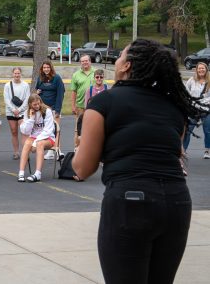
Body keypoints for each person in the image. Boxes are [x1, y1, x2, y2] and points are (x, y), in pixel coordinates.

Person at [73, 39, 199, 284]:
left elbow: (82, 168)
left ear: (127, 66)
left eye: (120, 56)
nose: (116, 60)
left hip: (130, 202)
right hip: (177, 201)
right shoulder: (174, 106)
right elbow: (175, 152)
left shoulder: (103, 102)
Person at [18, 94, 56, 183]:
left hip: (48, 137)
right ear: (30, 104)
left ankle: (38, 174)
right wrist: (31, 118)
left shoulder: (47, 111)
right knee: (27, 143)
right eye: (35, 105)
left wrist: (36, 141)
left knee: (40, 144)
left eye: (38, 104)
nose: (37, 106)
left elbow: (48, 130)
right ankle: (21, 173)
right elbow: (25, 131)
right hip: (34, 137)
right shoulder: (27, 112)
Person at [35, 60, 65, 160]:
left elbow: (60, 94)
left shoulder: (57, 78)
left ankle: (58, 150)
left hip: (53, 108)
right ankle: (50, 152)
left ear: (51, 68)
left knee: (56, 130)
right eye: (44, 68)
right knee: (46, 130)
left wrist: (58, 110)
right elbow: (37, 90)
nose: (46, 69)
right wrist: (38, 92)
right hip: (43, 109)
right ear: (42, 69)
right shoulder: (40, 78)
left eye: (48, 67)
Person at [183, 62, 210, 159]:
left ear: (206, 70)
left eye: (203, 68)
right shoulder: (191, 80)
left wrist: (201, 103)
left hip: (206, 110)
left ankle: (207, 150)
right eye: (199, 68)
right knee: (188, 130)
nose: (201, 70)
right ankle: (183, 150)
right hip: (193, 110)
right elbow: (186, 92)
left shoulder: (209, 81)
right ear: (196, 70)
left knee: (208, 131)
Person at [3, 67, 29, 160]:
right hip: (11, 111)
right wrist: (13, 109)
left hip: (22, 112)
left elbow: (27, 99)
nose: (17, 75)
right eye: (15, 73)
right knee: (14, 132)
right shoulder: (7, 85)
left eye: (18, 73)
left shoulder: (25, 85)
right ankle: (16, 152)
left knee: (23, 131)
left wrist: (20, 109)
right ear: (12, 74)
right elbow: (6, 99)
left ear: (20, 74)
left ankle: (25, 152)